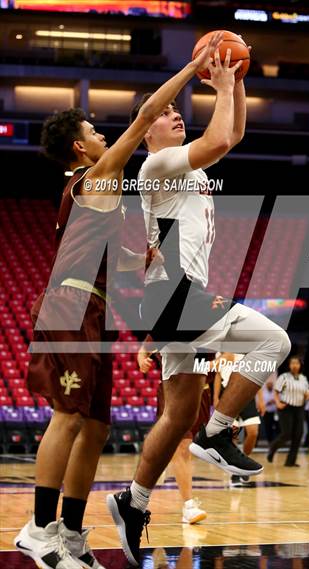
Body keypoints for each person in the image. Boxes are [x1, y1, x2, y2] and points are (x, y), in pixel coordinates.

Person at [13, 37, 222, 569]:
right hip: (70, 305)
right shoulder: (97, 173)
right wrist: (192, 69)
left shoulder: (98, 194)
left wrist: (147, 257)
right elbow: (147, 113)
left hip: (93, 306)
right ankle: (39, 528)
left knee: (98, 424)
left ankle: (74, 532)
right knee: (66, 416)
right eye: (93, 131)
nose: (102, 134)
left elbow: (120, 260)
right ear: (81, 149)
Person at [106, 41, 291, 566]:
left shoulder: (182, 167)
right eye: (165, 115)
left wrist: (233, 83)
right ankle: (218, 430)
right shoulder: (157, 164)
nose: (173, 118)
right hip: (177, 294)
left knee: (177, 410)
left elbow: (229, 136)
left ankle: (134, 500)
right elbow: (217, 142)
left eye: (174, 112)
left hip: (170, 299)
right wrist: (222, 83)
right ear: (148, 133)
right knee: (273, 340)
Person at [137, 336, 210, 524]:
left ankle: (161, 460)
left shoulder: (208, 322)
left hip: (199, 390)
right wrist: (142, 360)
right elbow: (144, 349)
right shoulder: (166, 321)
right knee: (182, 446)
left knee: (184, 446)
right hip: (172, 390)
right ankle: (188, 506)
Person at [213, 352, 261, 487]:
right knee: (233, 435)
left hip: (247, 393)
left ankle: (243, 463)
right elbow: (217, 375)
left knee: (253, 432)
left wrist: (260, 399)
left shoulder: (249, 350)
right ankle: (236, 471)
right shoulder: (221, 352)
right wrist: (215, 398)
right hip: (228, 393)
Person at [267, 357, 309, 466]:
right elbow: (276, 392)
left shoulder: (303, 379)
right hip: (286, 408)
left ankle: (290, 462)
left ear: (300, 365)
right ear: (289, 365)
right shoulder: (284, 377)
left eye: (297, 363)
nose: (294, 365)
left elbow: (307, 393)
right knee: (287, 434)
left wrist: (308, 395)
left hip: (299, 408)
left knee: (298, 435)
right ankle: (273, 448)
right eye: (292, 363)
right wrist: (277, 403)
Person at [257, 375, 279, 444]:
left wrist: (275, 401)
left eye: (271, 385)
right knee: (268, 426)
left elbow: (279, 400)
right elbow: (260, 402)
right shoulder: (263, 393)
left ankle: (275, 440)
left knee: (276, 427)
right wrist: (268, 402)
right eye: (269, 385)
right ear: (266, 385)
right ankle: (270, 440)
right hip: (267, 412)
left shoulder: (275, 392)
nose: (270, 386)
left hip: (275, 412)